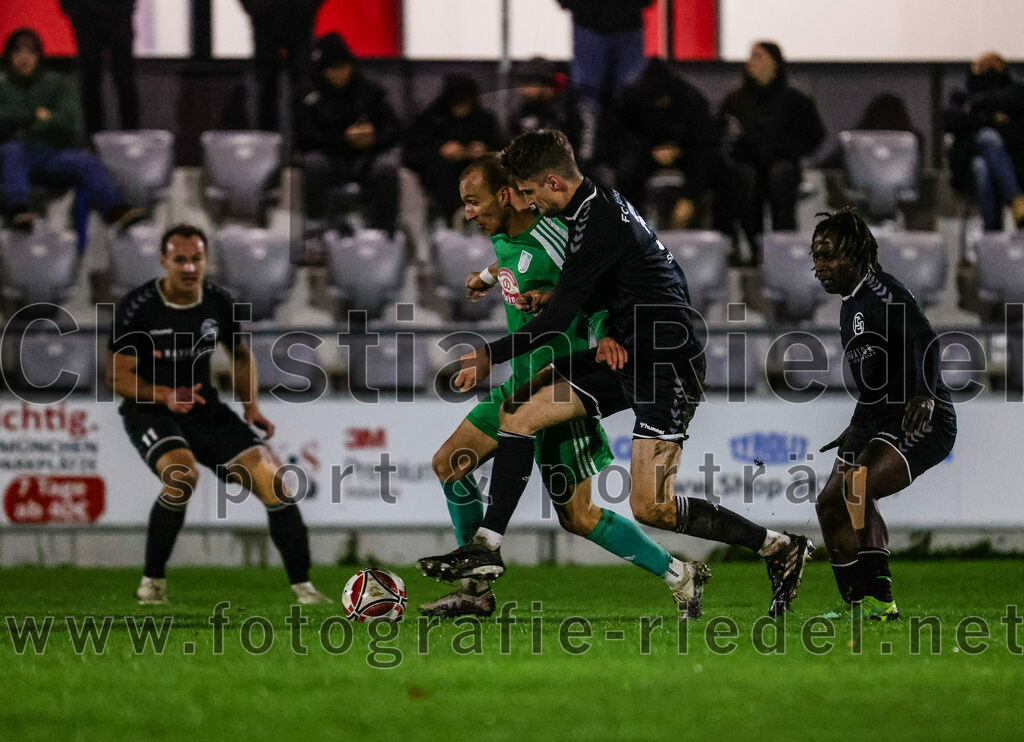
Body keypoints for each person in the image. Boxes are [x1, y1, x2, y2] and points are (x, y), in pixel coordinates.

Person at [418, 130, 813, 618]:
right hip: (621, 352)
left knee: (652, 507)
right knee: (518, 413)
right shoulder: (590, 209)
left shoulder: (595, 219)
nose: (527, 202)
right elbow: (619, 277)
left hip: (664, 362)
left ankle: (776, 545)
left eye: (529, 192)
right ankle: (487, 546)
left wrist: (488, 354)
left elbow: (563, 316)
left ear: (553, 182)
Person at [422, 153, 707, 619]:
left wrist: (606, 331)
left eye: (474, 202)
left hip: (560, 387)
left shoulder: (557, 233)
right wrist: (487, 277)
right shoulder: (503, 232)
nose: (468, 212)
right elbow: (511, 257)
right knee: (449, 463)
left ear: (506, 194)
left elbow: (593, 284)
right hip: (520, 383)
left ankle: (679, 575)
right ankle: (476, 588)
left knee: (579, 517)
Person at [106, 223, 330, 606]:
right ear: (164, 261)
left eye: (197, 259)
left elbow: (240, 356)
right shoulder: (138, 306)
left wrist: (251, 407)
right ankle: (152, 584)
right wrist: (164, 394)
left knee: (275, 485)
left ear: (206, 260)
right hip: (149, 410)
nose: (189, 267)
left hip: (204, 407)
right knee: (182, 475)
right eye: (180, 260)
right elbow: (117, 375)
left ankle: (304, 589)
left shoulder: (218, 302)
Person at [810, 208, 957, 621]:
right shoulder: (848, 306)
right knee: (828, 504)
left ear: (856, 253)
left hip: (923, 418)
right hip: (879, 420)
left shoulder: (882, 291)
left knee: (857, 487)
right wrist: (856, 427)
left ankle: (881, 600)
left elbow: (924, 339)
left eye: (829, 255)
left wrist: (926, 395)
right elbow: (877, 382)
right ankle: (857, 604)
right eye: (815, 257)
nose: (820, 266)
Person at [0, 28, 143, 233]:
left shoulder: (58, 83)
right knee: (12, 151)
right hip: (15, 156)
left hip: (52, 154)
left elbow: (70, 123)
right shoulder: (2, 84)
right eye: (18, 52)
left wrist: (25, 124)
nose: (24, 58)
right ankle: (18, 209)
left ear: (38, 56)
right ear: (9, 56)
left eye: (30, 52)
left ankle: (114, 210)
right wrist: (37, 115)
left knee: (86, 161)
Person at [717, 41, 825, 263]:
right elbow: (721, 135)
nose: (751, 63)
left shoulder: (795, 100)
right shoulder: (735, 101)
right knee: (743, 179)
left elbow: (814, 135)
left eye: (759, 57)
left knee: (781, 176)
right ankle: (755, 247)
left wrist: (788, 148)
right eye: (751, 57)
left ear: (775, 64)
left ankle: (783, 249)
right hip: (747, 165)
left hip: (781, 163)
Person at [297, 32, 400, 233]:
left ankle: (385, 231)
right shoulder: (309, 97)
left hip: (366, 159)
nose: (340, 74)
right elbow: (305, 137)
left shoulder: (370, 92)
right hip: (330, 158)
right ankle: (315, 227)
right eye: (333, 69)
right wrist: (343, 139)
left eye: (343, 68)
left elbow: (394, 128)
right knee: (313, 164)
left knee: (386, 168)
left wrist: (373, 137)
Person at [615, 58, 716, 230]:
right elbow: (622, 139)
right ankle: (630, 228)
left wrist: (689, 198)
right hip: (645, 154)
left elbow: (703, 146)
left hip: (687, 154)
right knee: (626, 171)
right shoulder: (631, 99)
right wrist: (650, 151)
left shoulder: (692, 101)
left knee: (716, 170)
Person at [943, 52, 1024, 232]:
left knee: (983, 163)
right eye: (981, 68)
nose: (984, 73)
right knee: (985, 146)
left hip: (1014, 167)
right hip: (967, 168)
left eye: (990, 69)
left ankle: (991, 232)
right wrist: (991, 119)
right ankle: (1016, 201)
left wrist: (977, 113)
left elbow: (1012, 105)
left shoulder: (1015, 93)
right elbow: (952, 121)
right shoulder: (961, 97)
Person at [403, 76, 501, 224]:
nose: (462, 104)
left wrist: (486, 152)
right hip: (440, 176)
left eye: (466, 99)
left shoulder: (484, 120)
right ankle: (458, 215)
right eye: (458, 99)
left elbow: (505, 152)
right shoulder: (431, 121)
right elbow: (410, 155)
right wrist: (440, 151)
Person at [240, 0, 323, 132]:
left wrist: (305, 9)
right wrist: (260, 10)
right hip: (266, 36)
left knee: (304, 95)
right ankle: (265, 145)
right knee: (264, 99)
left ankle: (305, 145)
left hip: (300, 31)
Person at [59, 0, 140, 134]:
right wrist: (72, 8)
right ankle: (93, 140)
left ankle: (131, 138)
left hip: (119, 14)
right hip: (85, 17)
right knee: (90, 80)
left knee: (125, 80)